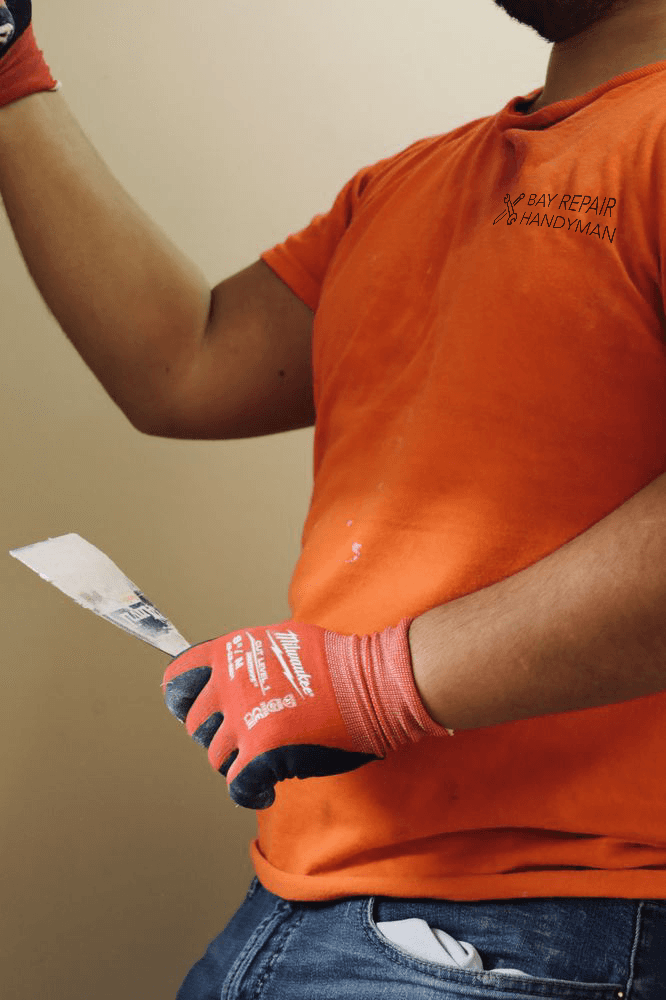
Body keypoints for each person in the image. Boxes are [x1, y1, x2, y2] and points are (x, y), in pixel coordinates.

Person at [2, 1, 666, 996]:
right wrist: (9, 64)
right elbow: (185, 361)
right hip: (292, 901)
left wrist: (370, 685)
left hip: (542, 925)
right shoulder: (404, 186)